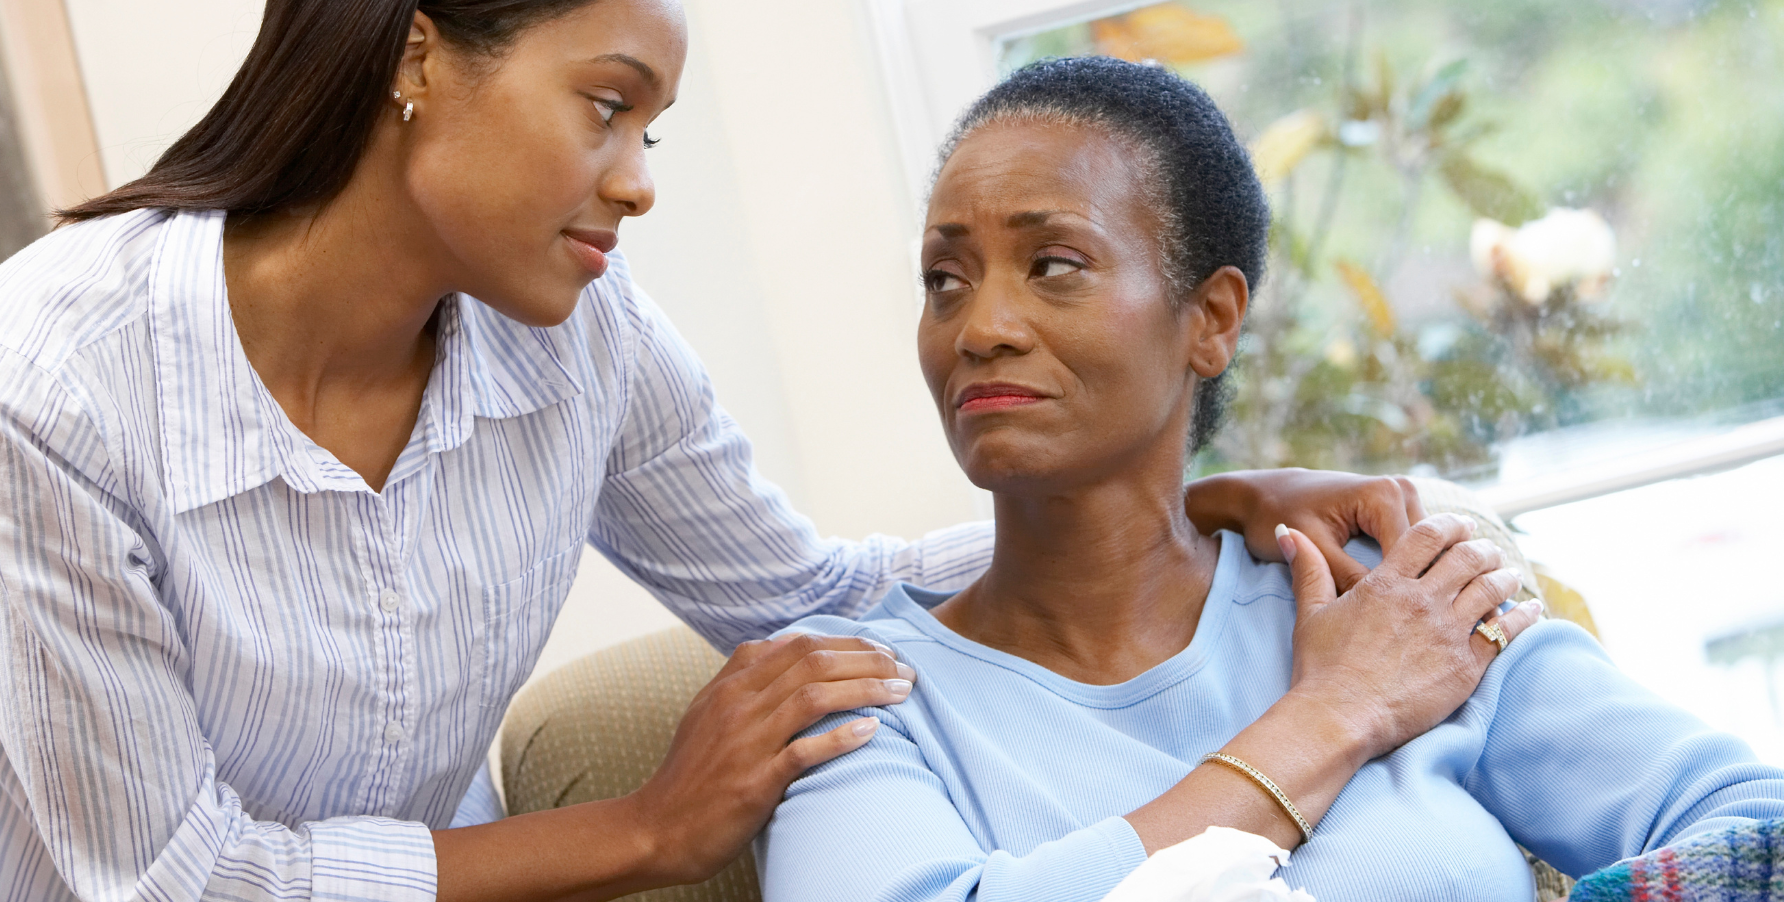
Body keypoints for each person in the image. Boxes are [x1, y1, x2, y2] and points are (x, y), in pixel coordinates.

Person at [0, 0, 1519, 902]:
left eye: (653, 129)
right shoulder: (48, 378)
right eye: (605, 105)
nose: (638, 178)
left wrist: (1201, 502)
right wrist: (649, 829)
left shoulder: (579, 339)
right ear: (414, 59)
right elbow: (172, 879)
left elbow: (802, 591)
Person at [756, 55, 1784, 901]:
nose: (980, 327)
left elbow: (1755, 829)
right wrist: (1335, 714)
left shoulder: (1394, 599)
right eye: (946, 280)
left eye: (1054, 265)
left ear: (1211, 320)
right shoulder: (858, 699)